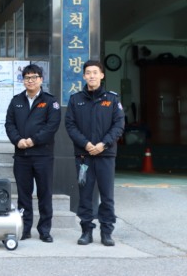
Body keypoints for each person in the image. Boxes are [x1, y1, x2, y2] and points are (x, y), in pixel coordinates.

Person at [65, 60, 125, 247]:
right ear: (84, 76)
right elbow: (70, 125)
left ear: (102, 75)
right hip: (84, 156)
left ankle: (106, 232)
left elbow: (119, 125)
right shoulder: (75, 99)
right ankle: (86, 231)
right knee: (85, 195)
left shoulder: (112, 99)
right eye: (88, 73)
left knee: (107, 195)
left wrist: (103, 144)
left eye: (95, 72)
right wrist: (86, 144)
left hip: (106, 155)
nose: (91, 76)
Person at [5, 64, 61, 243]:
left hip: (43, 155)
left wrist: (33, 140)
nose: (30, 81)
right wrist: (17, 140)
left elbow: (52, 126)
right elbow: (9, 124)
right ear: (23, 80)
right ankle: (25, 228)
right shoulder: (16, 101)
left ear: (41, 79)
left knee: (45, 193)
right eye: (27, 78)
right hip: (22, 156)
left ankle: (44, 230)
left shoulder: (50, 101)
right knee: (23, 195)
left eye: (34, 77)